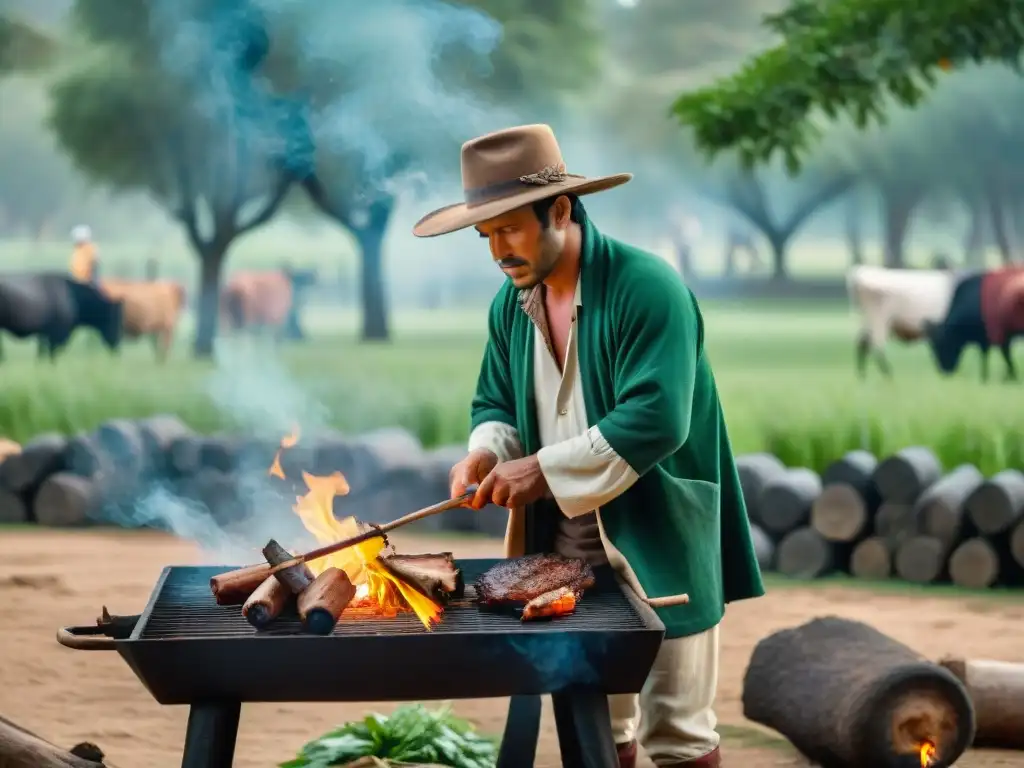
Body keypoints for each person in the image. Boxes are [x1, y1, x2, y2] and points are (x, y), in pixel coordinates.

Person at [413, 124, 765, 768]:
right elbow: (495, 402)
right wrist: (488, 451)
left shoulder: (648, 288)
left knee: (679, 732)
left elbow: (657, 419)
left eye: (510, 229)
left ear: (560, 211)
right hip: (560, 555)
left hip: (659, 540)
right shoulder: (510, 305)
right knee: (596, 721)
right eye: (486, 235)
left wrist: (540, 471)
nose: (498, 251)